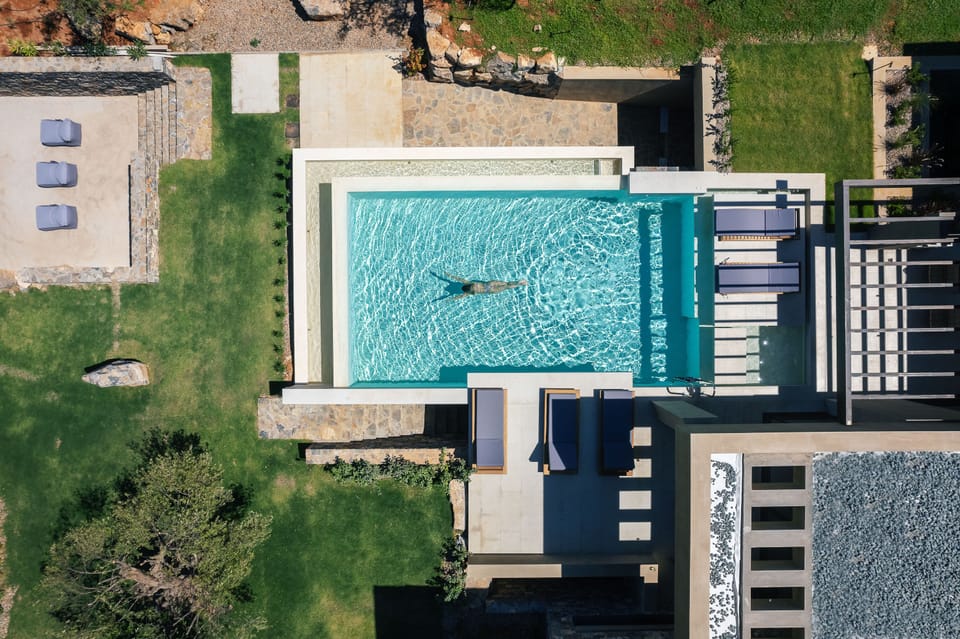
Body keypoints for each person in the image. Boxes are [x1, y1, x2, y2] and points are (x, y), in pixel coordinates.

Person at [444, 273, 527, 300]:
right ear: (465, 285)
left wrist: (450, 299)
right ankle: (519, 281)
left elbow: (459, 296)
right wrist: (449, 275)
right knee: (506, 283)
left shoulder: (468, 293)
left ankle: (520, 284)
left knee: (506, 287)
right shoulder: (468, 283)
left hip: (489, 290)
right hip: (489, 284)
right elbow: (459, 279)